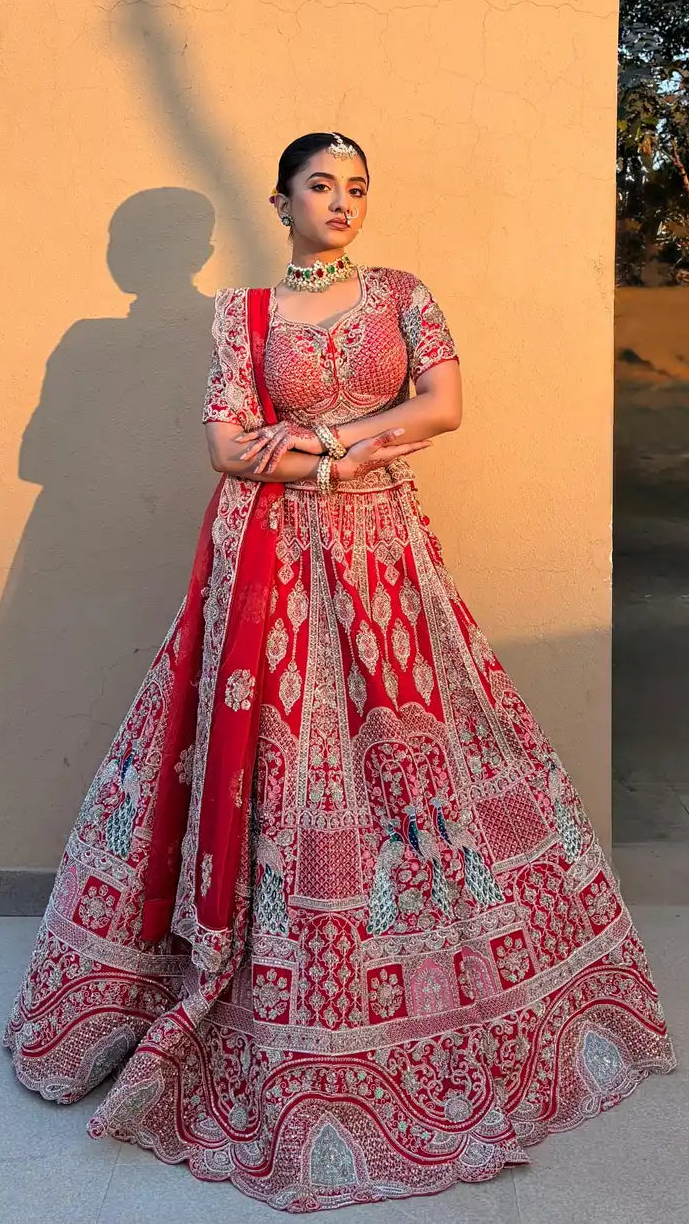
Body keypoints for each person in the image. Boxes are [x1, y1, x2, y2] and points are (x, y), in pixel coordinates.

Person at [4, 131, 674, 1214]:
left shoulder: (403, 293)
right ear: (280, 202)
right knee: (269, 749)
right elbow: (223, 445)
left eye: (357, 186)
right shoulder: (241, 316)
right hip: (262, 551)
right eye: (321, 184)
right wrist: (342, 450)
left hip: (379, 553)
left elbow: (442, 405)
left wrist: (323, 445)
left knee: (407, 745)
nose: (342, 201)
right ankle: (239, 968)